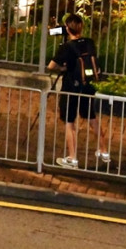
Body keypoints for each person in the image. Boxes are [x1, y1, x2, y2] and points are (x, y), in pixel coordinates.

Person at [48, 13, 110, 169]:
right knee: (92, 118)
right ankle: (104, 151)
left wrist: (64, 67)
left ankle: (72, 158)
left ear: (67, 28)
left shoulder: (66, 47)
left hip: (71, 87)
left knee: (69, 122)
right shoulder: (89, 42)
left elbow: (51, 66)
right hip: (88, 85)